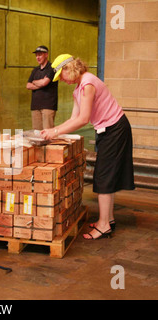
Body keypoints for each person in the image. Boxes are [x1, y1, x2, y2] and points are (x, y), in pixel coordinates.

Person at [41, 54, 135, 240]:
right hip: (107, 131)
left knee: (103, 176)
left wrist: (55, 133)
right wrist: (53, 130)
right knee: (105, 175)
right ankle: (108, 219)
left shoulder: (88, 84)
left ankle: (104, 225)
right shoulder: (78, 88)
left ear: (70, 68)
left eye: (62, 75)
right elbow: (73, 118)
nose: (63, 80)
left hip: (115, 129)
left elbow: (83, 119)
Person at [26, 45, 58, 130]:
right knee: (37, 134)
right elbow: (28, 85)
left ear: (46, 55)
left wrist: (35, 82)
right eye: (36, 55)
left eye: (40, 55)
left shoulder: (52, 68)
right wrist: (39, 83)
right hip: (35, 106)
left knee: (48, 133)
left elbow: (44, 82)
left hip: (48, 106)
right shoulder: (35, 70)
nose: (37, 57)